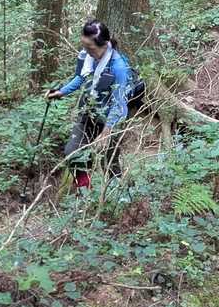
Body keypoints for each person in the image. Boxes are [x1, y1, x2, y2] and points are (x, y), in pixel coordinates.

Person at [47, 20, 145, 187]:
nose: (86, 50)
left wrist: (107, 130)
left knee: (109, 160)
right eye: (84, 46)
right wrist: (61, 92)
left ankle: (120, 193)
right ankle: (85, 189)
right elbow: (81, 77)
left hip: (110, 118)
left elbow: (119, 103)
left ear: (104, 45)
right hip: (88, 111)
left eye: (90, 47)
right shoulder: (86, 56)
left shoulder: (118, 67)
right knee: (72, 152)